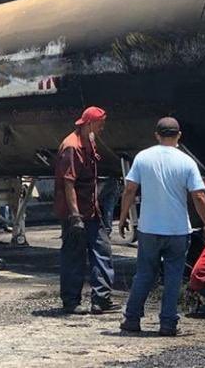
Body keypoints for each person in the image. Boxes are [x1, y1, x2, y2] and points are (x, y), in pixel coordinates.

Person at [119, 117, 205, 336]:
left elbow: (129, 190)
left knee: (143, 274)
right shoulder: (186, 161)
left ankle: (132, 320)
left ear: (157, 135)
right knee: (173, 277)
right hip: (177, 230)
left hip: (149, 229)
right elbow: (198, 196)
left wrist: (123, 217)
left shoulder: (143, 157)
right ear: (179, 135)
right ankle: (168, 324)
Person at [54, 106, 119, 315]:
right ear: (90, 123)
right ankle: (71, 301)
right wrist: (75, 217)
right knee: (74, 255)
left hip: (91, 209)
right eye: (100, 125)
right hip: (77, 213)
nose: (102, 129)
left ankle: (101, 299)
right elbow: (68, 183)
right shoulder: (71, 147)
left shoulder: (88, 141)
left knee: (102, 251)